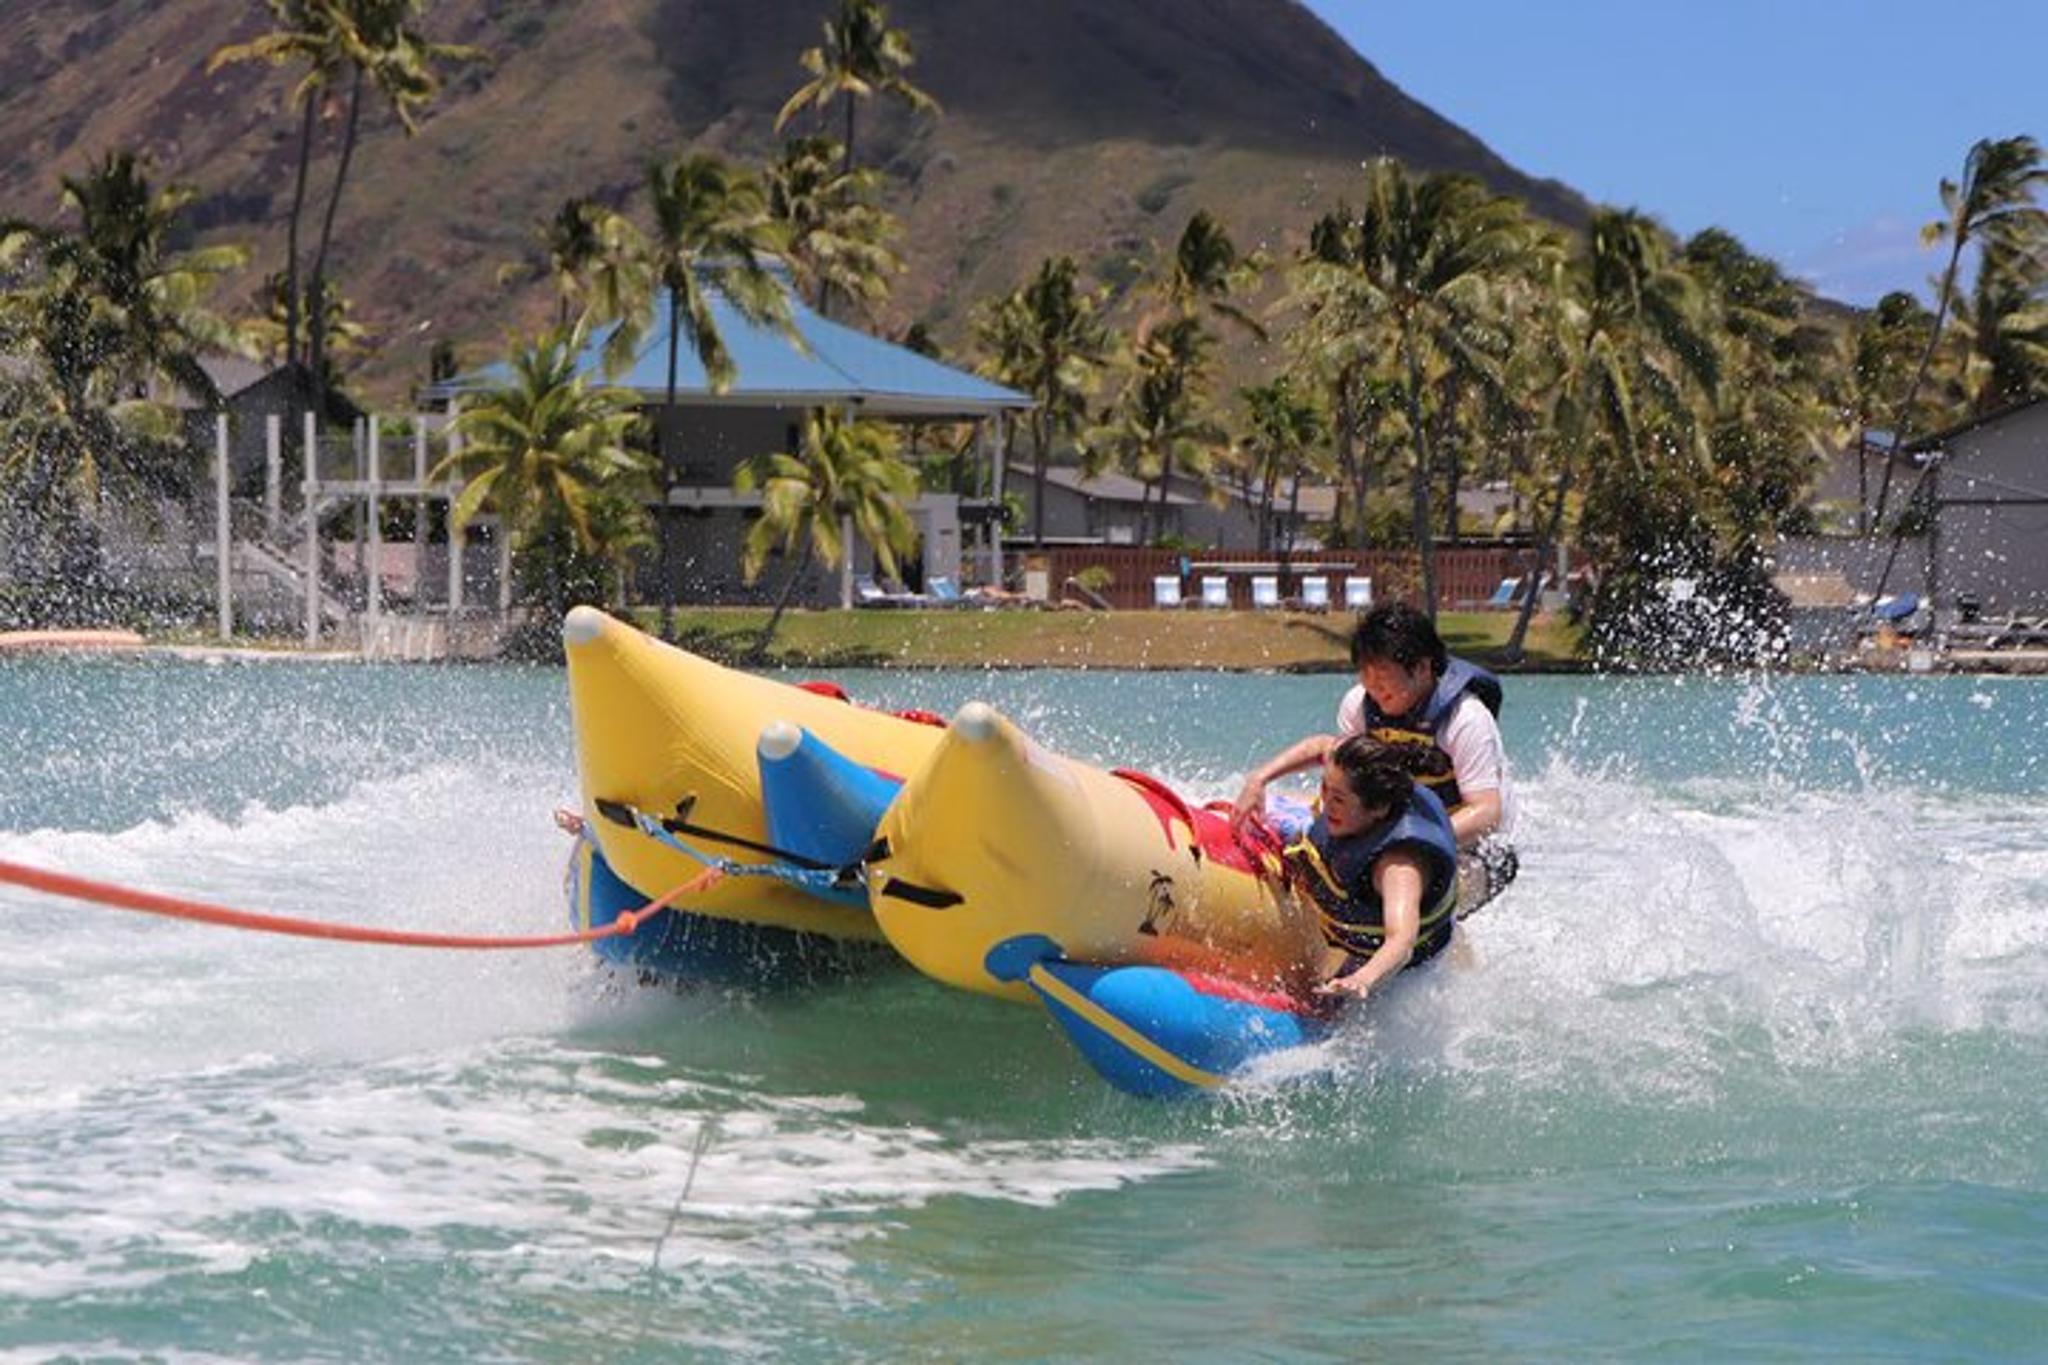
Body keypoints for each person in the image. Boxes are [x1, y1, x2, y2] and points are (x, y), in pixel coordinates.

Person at [1233, 601, 1518, 912]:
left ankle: (1433, 931)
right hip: (1390, 825)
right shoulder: (1359, 704)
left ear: (1422, 668)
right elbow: (1330, 753)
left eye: (1382, 675)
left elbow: (1486, 811)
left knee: (1407, 884)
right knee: (1294, 812)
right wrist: (1259, 779)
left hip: (1473, 850)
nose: (1373, 686)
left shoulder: (1465, 719)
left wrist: (1409, 840)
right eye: (1365, 673)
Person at [1280, 734, 1460, 1001]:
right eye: (1324, 788)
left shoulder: (1399, 866)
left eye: (1338, 799)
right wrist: (1259, 779)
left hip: (1394, 966)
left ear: (1378, 809)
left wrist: (1361, 979)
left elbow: (1401, 941)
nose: (1326, 802)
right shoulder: (1350, 798)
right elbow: (1319, 746)